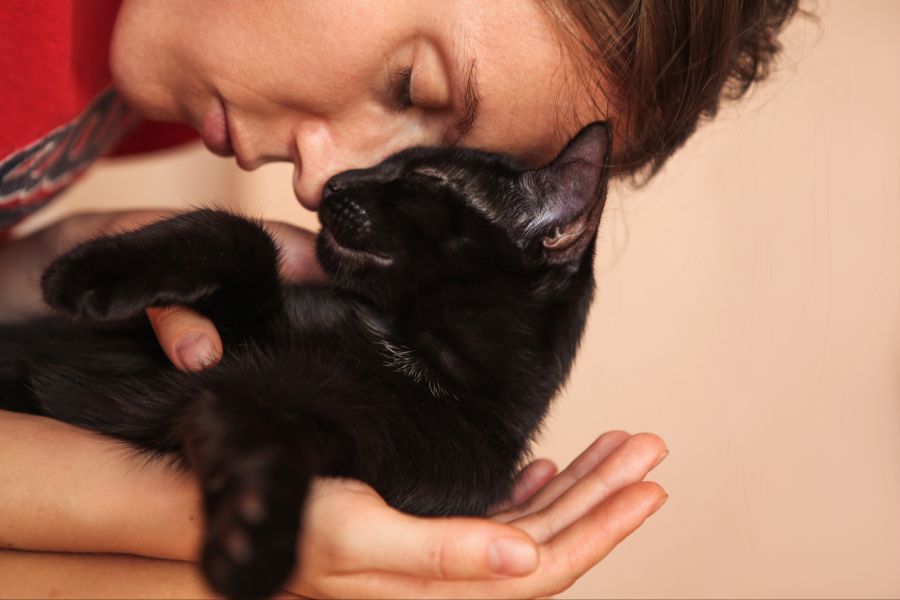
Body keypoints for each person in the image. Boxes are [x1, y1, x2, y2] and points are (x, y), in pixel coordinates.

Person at [0, 1, 798, 596]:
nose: (317, 183)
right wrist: (172, 534)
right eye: (411, 87)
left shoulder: (145, 94)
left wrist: (41, 255)